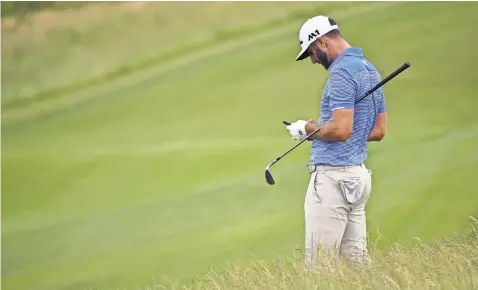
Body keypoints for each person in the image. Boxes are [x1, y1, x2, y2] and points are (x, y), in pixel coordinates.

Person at [285, 15, 387, 268]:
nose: (313, 60)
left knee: (320, 268)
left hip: (333, 179)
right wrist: (324, 128)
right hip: (357, 177)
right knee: (357, 268)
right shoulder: (368, 68)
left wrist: (308, 129)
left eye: (311, 52)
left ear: (321, 42)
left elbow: (341, 131)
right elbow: (378, 130)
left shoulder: (341, 72)